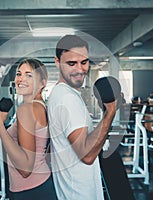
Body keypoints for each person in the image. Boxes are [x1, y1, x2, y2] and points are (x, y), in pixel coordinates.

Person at [47, 35, 117, 200]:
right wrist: (110, 112)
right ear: (57, 62)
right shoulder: (68, 99)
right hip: (79, 194)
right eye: (71, 63)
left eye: (84, 62)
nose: (80, 69)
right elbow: (87, 156)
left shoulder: (59, 93)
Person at [0, 58, 57, 200]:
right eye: (19, 74)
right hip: (39, 185)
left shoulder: (26, 109)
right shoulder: (41, 106)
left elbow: (25, 169)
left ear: (42, 83)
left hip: (32, 190)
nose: (21, 79)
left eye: (29, 75)